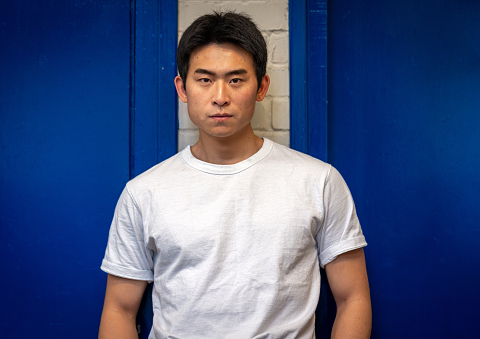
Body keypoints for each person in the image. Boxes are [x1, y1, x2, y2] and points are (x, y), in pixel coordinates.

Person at [99, 11, 371, 339]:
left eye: (236, 79)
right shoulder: (144, 192)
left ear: (261, 86)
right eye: (204, 79)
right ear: (182, 88)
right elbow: (119, 309)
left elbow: (353, 298)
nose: (220, 97)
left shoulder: (318, 180)